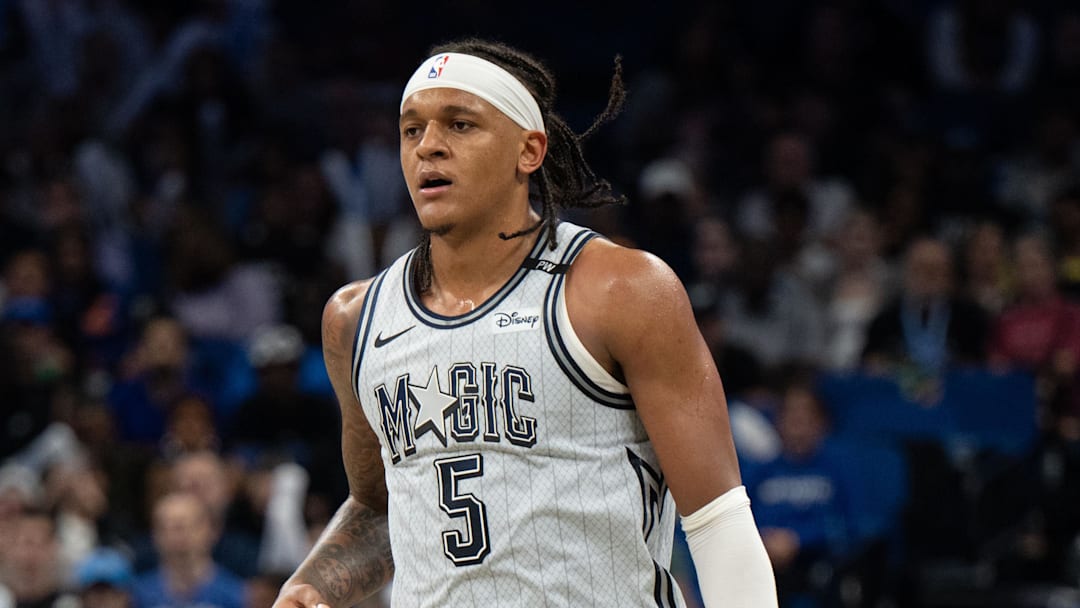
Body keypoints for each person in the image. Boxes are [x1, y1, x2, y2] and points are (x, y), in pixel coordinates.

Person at [272, 39, 777, 607]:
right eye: (411, 130)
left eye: (459, 125)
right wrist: (310, 584)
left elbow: (718, 523)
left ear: (529, 150)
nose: (428, 147)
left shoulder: (620, 290)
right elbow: (380, 508)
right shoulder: (356, 319)